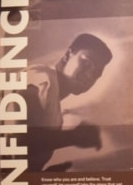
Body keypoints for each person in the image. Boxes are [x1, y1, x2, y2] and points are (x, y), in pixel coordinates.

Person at [24, 33, 113, 172]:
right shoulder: (41, 78)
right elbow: (19, 138)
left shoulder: (55, 109)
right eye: (86, 63)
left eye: (97, 73)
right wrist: (73, 137)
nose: (90, 75)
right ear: (68, 54)